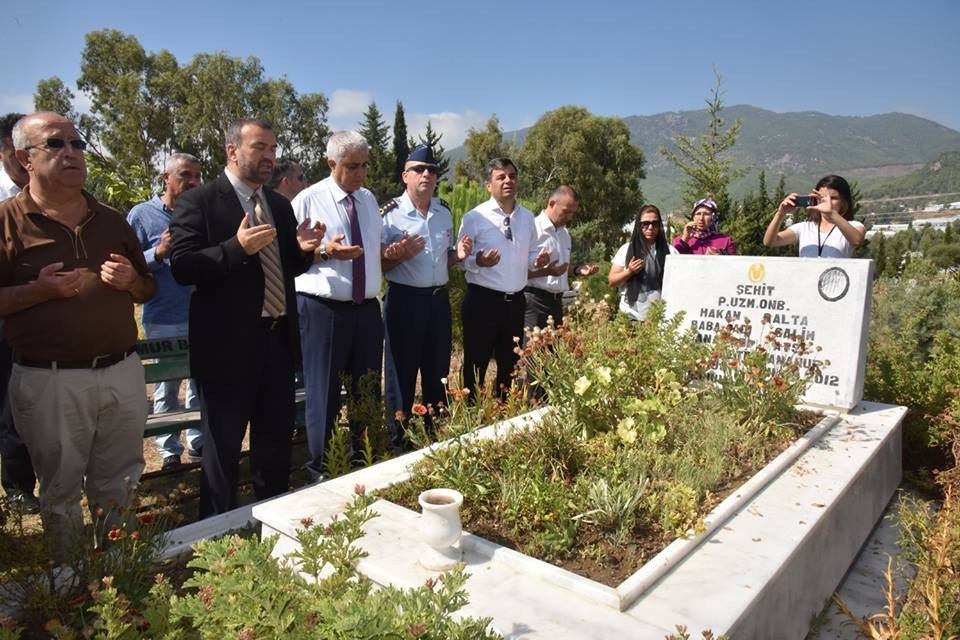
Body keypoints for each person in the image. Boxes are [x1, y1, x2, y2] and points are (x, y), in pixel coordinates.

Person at [0, 111, 155, 544]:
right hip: (49, 381)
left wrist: (131, 282)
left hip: (121, 372)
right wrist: (38, 291)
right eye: (55, 144)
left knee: (120, 485)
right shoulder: (8, 222)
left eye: (77, 143)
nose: (71, 152)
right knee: (61, 491)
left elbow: (147, 287)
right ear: (24, 158)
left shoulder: (111, 220)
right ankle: (70, 590)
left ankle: (118, 581)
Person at [169, 118, 324, 517]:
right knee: (222, 450)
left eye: (273, 148)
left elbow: (286, 267)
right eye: (260, 147)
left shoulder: (278, 206)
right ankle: (218, 534)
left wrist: (304, 250)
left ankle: (271, 522)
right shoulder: (199, 201)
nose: (270, 156)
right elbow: (183, 266)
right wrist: (235, 247)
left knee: (274, 446)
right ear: (232, 151)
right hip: (226, 350)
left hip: (276, 343)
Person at [292, 131, 409, 477]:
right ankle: (322, 468)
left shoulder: (369, 200)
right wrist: (326, 251)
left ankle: (363, 460)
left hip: (367, 309)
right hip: (323, 310)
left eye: (365, 166)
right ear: (331, 164)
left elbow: (373, 249)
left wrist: (390, 253)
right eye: (352, 166)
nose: (360, 174)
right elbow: (288, 255)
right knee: (324, 394)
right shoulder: (307, 200)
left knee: (367, 390)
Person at [380, 145, 472, 449]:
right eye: (419, 169)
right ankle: (400, 442)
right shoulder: (389, 215)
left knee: (437, 372)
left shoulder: (443, 212)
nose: (427, 174)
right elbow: (379, 264)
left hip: (437, 301)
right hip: (404, 301)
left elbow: (442, 258)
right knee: (401, 374)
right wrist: (400, 255)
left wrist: (457, 256)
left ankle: (435, 438)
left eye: (432, 170)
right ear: (405, 175)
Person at [128, 153, 204, 470]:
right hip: (163, 316)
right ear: (166, 177)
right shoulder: (141, 215)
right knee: (167, 387)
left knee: (200, 384)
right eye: (186, 175)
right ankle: (169, 450)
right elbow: (128, 265)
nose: (193, 182)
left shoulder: (201, 213)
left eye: (198, 176)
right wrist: (158, 253)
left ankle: (198, 442)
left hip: (201, 314)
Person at [457, 157, 551, 399]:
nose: (508, 180)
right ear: (489, 185)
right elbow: (460, 260)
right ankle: (472, 418)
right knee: (475, 365)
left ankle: (503, 414)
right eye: (501, 177)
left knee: (509, 365)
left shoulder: (527, 217)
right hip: (482, 302)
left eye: (512, 176)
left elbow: (528, 255)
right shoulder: (474, 217)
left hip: (515, 303)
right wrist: (478, 261)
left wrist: (536, 261)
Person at [0, 112, 39, 514]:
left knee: (21, 407)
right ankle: (17, 486)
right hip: (5, 321)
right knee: (7, 408)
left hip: (40, 324)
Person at [524, 185, 598, 331]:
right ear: (552, 203)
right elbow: (517, 270)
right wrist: (544, 269)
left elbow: (561, 268)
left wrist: (577, 270)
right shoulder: (531, 228)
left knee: (554, 352)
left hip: (557, 302)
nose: (569, 217)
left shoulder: (565, 234)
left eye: (573, 213)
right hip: (533, 302)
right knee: (533, 351)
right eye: (566, 211)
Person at [762, 174, 865, 258]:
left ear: (844, 201)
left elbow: (857, 241)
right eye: (822, 197)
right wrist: (780, 214)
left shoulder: (853, 226)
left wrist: (832, 214)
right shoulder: (804, 227)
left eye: (833, 198)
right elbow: (770, 242)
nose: (827, 201)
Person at [609, 205, 678, 321]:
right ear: (638, 225)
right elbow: (612, 281)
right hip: (630, 318)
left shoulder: (671, 252)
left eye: (654, 223)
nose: (650, 227)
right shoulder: (626, 250)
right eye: (645, 223)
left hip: (660, 319)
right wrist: (629, 272)